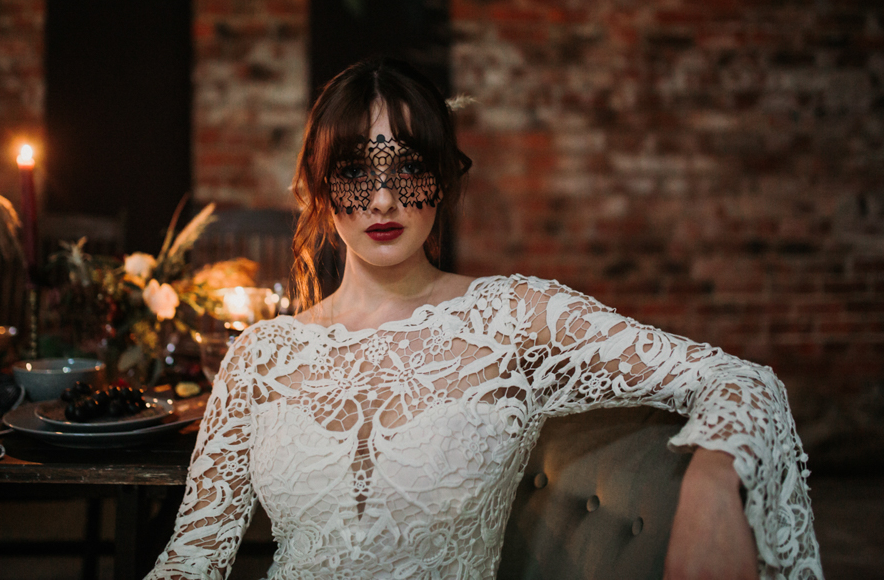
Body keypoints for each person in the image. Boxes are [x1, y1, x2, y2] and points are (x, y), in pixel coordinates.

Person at [146, 57, 822, 580]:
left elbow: (741, 381)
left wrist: (712, 479)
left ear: (443, 178)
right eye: (355, 171)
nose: (384, 196)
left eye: (409, 166)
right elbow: (192, 562)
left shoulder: (513, 317)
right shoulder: (262, 355)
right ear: (319, 188)